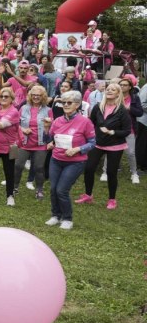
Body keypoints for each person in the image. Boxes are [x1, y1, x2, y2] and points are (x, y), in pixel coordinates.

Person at [75, 82, 132, 210]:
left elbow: (127, 130)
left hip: (115, 145)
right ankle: (88, 195)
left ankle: (112, 199)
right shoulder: (98, 107)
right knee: (89, 168)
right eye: (108, 89)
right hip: (98, 143)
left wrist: (112, 132)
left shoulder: (122, 110)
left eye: (113, 89)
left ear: (118, 93)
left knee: (111, 172)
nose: (109, 91)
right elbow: (91, 123)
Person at [45, 90, 97, 230]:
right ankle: (56, 216)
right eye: (63, 102)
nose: (66, 105)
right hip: (56, 159)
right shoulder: (57, 121)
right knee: (53, 189)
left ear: (78, 104)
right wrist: (50, 142)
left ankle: (67, 218)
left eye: (69, 102)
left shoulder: (85, 122)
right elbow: (51, 139)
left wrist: (78, 149)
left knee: (61, 190)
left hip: (75, 162)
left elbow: (92, 143)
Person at [13, 84, 51, 200]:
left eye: (38, 95)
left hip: (40, 144)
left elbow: (51, 130)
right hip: (24, 143)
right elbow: (15, 124)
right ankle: (14, 187)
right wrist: (23, 129)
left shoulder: (48, 110)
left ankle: (39, 189)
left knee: (39, 167)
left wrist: (47, 127)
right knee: (17, 165)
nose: (36, 97)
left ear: (43, 96)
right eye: (34, 95)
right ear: (30, 96)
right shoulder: (23, 108)